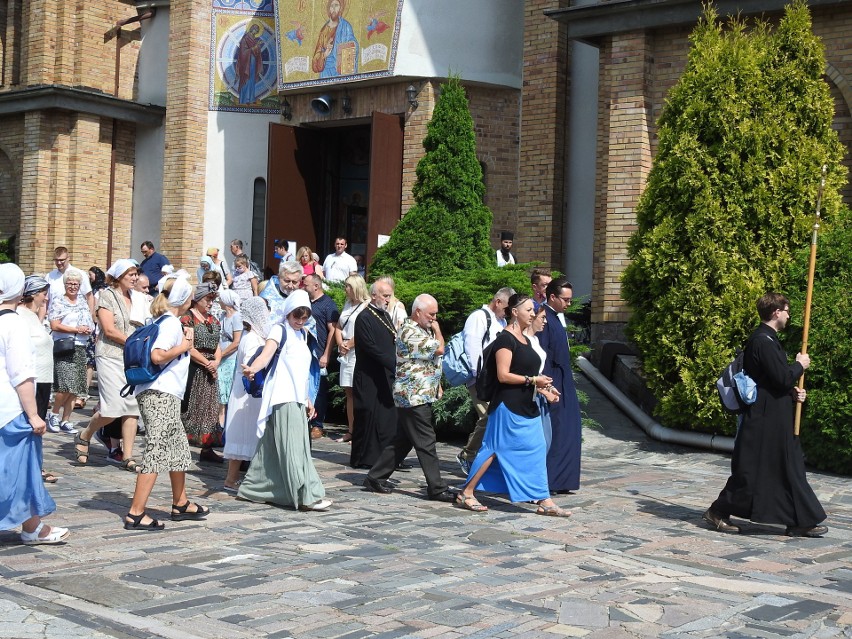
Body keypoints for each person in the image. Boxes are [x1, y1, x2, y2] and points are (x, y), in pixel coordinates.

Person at [704, 293, 827, 537]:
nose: (789, 315)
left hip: (774, 417)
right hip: (763, 420)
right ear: (775, 313)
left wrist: (792, 393)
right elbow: (780, 377)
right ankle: (717, 511)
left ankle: (799, 520)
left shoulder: (768, 340)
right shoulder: (762, 341)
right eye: (787, 310)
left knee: (788, 468)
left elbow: (773, 382)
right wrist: (799, 365)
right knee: (750, 471)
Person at [455, 294, 570, 517]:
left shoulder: (526, 340)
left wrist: (543, 389)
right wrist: (533, 381)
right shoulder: (504, 340)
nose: (533, 314)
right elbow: (504, 375)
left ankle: (544, 499)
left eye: (533, 310)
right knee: (493, 450)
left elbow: (528, 373)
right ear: (515, 312)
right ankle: (467, 492)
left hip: (527, 406)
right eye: (528, 310)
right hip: (506, 406)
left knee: (537, 448)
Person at [124, 275, 210, 530]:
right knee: (157, 449)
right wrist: (183, 346)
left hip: (161, 393)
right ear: (183, 300)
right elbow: (157, 355)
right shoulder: (171, 323)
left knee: (177, 447)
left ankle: (180, 502)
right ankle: (136, 512)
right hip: (160, 394)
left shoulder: (160, 319)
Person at [239, 290, 331, 511]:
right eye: (296, 316)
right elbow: (266, 355)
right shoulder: (279, 330)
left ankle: (255, 488)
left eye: (303, 317)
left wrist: (308, 398)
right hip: (282, 396)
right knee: (294, 449)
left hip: (297, 397)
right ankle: (305, 495)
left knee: (271, 447)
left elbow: (300, 371)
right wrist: (252, 369)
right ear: (288, 313)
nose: (300, 321)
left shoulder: (304, 335)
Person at [0, 263, 70, 544]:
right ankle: (33, 528)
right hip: (10, 409)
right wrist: (34, 414)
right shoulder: (13, 323)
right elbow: (22, 374)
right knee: (19, 472)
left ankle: (33, 526)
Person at [363, 294, 455, 502]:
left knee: (403, 441)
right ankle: (437, 488)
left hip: (418, 393)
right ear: (418, 312)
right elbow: (439, 349)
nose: (434, 318)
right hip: (413, 396)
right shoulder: (411, 331)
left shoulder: (420, 330)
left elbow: (425, 362)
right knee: (426, 440)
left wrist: (436, 384)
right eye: (431, 314)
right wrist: (438, 331)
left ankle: (375, 477)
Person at [74, 260, 145, 472]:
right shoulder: (107, 295)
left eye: (135, 274)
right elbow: (109, 329)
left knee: (132, 407)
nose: (134, 278)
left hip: (130, 358)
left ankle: (128, 456)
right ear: (119, 275)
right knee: (112, 407)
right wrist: (134, 343)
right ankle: (85, 434)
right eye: (130, 274)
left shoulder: (137, 298)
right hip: (110, 355)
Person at [456, 287, 515, 474]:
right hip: (481, 379)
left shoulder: (501, 320)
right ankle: (468, 454)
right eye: (507, 307)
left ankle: (488, 457)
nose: (508, 312)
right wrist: (478, 376)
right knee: (488, 416)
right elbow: (472, 347)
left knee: (494, 417)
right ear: (498, 302)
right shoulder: (479, 317)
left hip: (495, 379)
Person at [540, 278, 583, 494]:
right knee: (557, 429)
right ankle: (552, 479)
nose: (568, 304)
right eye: (565, 300)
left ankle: (564, 479)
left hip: (563, 376)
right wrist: (547, 384)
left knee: (569, 428)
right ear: (553, 297)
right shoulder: (544, 317)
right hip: (553, 378)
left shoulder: (557, 317)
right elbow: (542, 353)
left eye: (570, 300)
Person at [222, 297, 269, 493]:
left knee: (247, 435)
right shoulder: (252, 339)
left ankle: (239, 479)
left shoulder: (253, 336)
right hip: (248, 393)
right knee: (245, 435)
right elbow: (251, 367)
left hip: (246, 392)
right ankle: (232, 480)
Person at [350, 279, 397, 468]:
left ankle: (386, 457)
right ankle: (363, 458)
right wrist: (394, 364)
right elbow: (371, 347)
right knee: (368, 416)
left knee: (386, 416)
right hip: (368, 375)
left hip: (385, 375)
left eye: (389, 296)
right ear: (374, 295)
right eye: (385, 296)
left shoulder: (384, 315)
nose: (388, 300)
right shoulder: (364, 317)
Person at [17, 276, 58, 484]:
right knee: (32, 425)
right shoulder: (20, 315)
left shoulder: (34, 316)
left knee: (38, 426)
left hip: (43, 378)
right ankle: (32, 468)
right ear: (33, 293)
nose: (46, 297)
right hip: (32, 379)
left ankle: (34, 466)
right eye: (43, 293)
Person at [47, 270, 95, 433]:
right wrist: (76, 329)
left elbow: (88, 319)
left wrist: (88, 329)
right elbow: (55, 325)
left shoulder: (82, 301)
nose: (73, 287)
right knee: (65, 385)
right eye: (70, 284)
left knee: (76, 387)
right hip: (65, 346)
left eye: (76, 284)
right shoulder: (59, 301)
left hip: (81, 346)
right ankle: (53, 414)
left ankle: (66, 419)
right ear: (65, 284)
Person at [180, 281, 223, 463]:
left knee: (210, 408)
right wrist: (207, 363)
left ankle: (207, 446)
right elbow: (188, 346)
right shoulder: (188, 318)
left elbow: (217, 345)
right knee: (190, 406)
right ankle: (181, 443)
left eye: (212, 300)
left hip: (210, 367)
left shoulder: (213, 320)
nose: (210, 303)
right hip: (194, 366)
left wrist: (216, 362)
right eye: (208, 299)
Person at [334, 274, 369, 443]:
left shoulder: (366, 305)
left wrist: (349, 345)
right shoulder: (348, 304)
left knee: (359, 390)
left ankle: (362, 430)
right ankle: (351, 429)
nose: (345, 289)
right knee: (349, 391)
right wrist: (341, 343)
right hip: (345, 351)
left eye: (348, 286)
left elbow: (364, 330)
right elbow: (339, 326)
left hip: (357, 351)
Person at [303, 273, 339, 439]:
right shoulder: (305, 302)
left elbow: (333, 330)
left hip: (319, 353)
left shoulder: (328, 304)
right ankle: (305, 421)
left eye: (307, 284)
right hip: (304, 351)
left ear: (316, 286)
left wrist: (326, 353)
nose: (304, 286)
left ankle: (317, 425)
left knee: (319, 390)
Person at [526, 305, 560, 451]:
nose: (545, 322)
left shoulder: (535, 339)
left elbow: (537, 372)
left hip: (538, 396)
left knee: (545, 440)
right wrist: (544, 392)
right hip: (528, 396)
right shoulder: (524, 340)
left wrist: (549, 387)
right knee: (537, 443)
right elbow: (524, 374)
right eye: (542, 318)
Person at [311, 0, 358, 79]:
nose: (334, 8)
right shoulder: (324, 30)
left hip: (340, 69)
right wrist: (325, 54)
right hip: (325, 71)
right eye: (331, 6)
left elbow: (354, 45)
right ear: (329, 9)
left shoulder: (346, 26)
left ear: (340, 8)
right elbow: (316, 57)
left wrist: (346, 46)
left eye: (336, 5)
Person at [217, 290, 243, 431]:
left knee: (225, 390)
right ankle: (220, 423)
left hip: (230, 359)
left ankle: (223, 425)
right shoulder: (222, 316)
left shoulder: (237, 317)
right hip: (221, 358)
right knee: (220, 390)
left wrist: (221, 355)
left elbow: (237, 342)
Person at [46, 246, 93, 316]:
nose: (59, 263)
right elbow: (45, 300)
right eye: (56, 260)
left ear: (68, 258)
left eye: (62, 260)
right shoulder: (50, 276)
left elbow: (89, 297)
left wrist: (90, 316)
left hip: (75, 319)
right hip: (54, 318)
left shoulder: (80, 274)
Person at [235, 23, 263, 105]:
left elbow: (256, 52)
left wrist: (257, 47)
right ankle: (244, 99)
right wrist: (255, 46)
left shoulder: (254, 40)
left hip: (253, 62)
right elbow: (243, 52)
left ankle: (251, 99)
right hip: (246, 63)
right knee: (246, 80)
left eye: (257, 31)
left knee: (252, 80)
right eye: (256, 30)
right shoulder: (245, 39)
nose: (256, 32)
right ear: (252, 29)